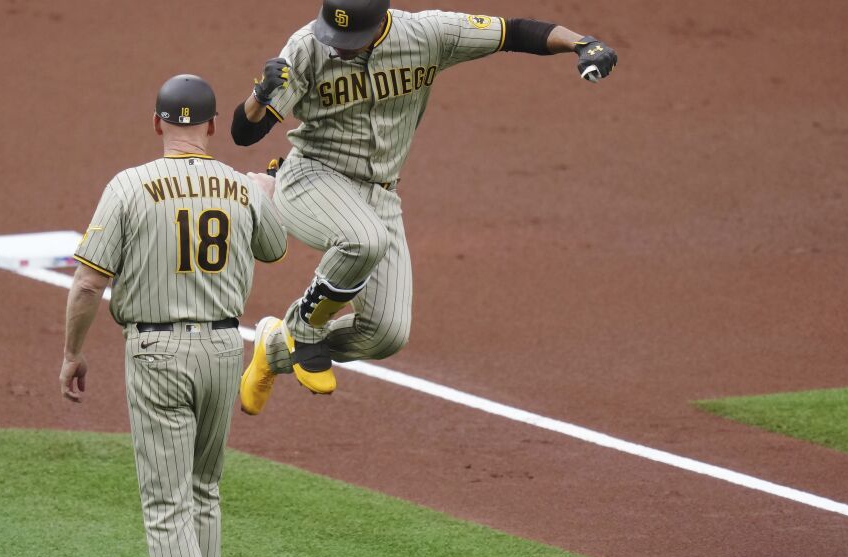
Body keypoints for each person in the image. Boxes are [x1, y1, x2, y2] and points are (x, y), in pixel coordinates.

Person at [230, 0, 619, 415]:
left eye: (350, 42)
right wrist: (258, 96)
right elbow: (244, 132)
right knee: (363, 240)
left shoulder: (428, 34)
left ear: (381, 23)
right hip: (312, 177)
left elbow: (515, 31)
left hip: (381, 194)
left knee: (385, 335)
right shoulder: (307, 47)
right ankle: (302, 328)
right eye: (335, 38)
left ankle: (273, 349)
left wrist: (583, 43)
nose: (339, 48)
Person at [60, 74, 287, 557]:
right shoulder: (239, 185)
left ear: (158, 122)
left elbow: (89, 284)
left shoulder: (128, 186)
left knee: (166, 509)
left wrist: (72, 353)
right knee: (204, 493)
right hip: (223, 349)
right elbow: (276, 247)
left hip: (158, 353)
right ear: (212, 126)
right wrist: (265, 192)